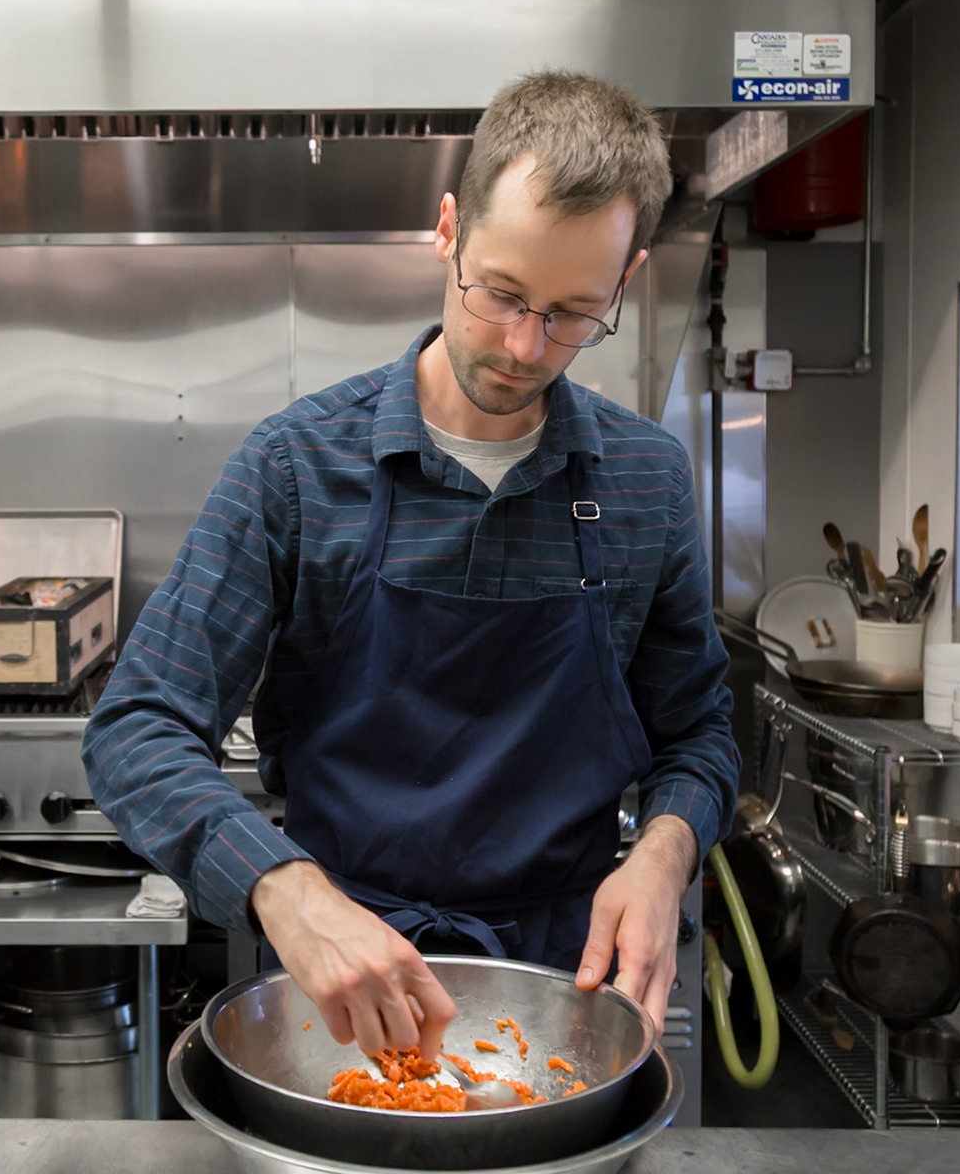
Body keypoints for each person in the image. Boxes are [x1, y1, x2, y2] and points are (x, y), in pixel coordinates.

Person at [81, 71, 738, 1064]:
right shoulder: (298, 466)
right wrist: (283, 886)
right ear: (447, 231)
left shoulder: (645, 479)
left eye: (572, 313)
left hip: (565, 988)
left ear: (629, 277)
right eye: (502, 293)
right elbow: (138, 727)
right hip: (335, 984)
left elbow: (699, 734)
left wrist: (663, 852)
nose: (525, 346)